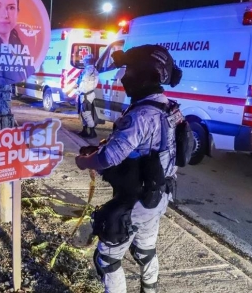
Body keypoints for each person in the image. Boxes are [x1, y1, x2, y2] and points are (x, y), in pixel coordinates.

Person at [75, 45, 184, 293]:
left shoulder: (142, 114)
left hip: (136, 200)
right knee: (145, 251)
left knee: (108, 259)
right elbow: (145, 147)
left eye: (129, 70)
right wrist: (99, 147)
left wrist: (84, 162)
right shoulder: (170, 108)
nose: (124, 76)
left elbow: (110, 157)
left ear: (144, 75)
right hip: (158, 197)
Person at [76, 53, 99, 138]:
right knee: (84, 113)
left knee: (86, 114)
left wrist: (78, 92)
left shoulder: (88, 71)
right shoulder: (94, 70)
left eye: (84, 61)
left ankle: (92, 132)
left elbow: (83, 84)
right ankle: (85, 130)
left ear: (87, 61)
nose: (84, 62)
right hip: (89, 94)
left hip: (85, 95)